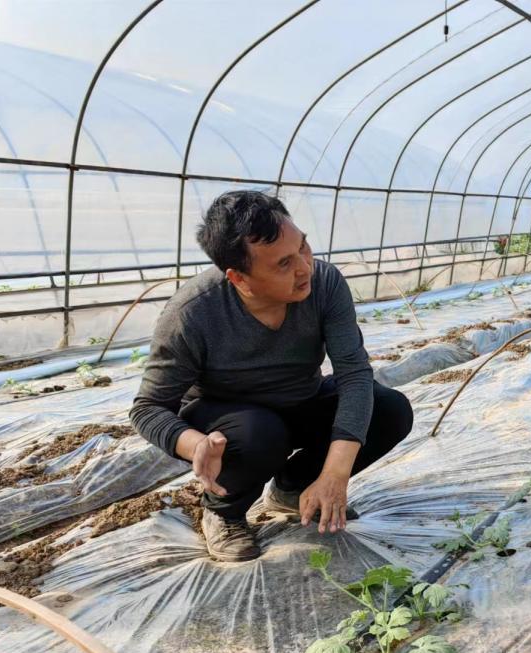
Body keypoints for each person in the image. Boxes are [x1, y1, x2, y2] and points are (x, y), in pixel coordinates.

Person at [130, 191, 413, 562]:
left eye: (303, 247)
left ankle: (293, 489)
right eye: (284, 264)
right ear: (239, 278)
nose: (305, 268)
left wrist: (334, 474)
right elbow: (148, 408)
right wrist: (194, 444)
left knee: (389, 410)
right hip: (231, 419)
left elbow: (354, 374)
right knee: (260, 434)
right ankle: (224, 511)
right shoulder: (193, 313)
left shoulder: (325, 283)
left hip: (300, 398)